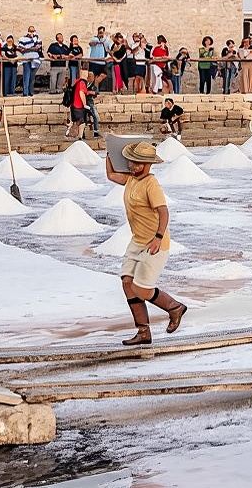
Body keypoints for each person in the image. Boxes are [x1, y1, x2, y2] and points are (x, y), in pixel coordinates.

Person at [105, 140, 187, 346]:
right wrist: (109, 152)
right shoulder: (132, 179)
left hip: (154, 242)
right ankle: (143, 332)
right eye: (130, 161)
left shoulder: (151, 184)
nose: (131, 166)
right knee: (127, 283)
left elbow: (163, 212)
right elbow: (111, 175)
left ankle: (174, 307)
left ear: (147, 164)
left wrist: (158, 238)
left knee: (141, 289)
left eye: (136, 163)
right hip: (137, 241)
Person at [67, 69, 93, 140]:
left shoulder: (77, 81)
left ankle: (79, 136)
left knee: (80, 122)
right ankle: (77, 135)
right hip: (78, 105)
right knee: (81, 122)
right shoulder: (82, 82)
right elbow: (81, 93)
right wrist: (84, 104)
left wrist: (89, 92)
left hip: (74, 105)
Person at [17, 26, 42, 97]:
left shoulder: (37, 39)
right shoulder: (23, 38)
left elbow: (38, 48)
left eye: (33, 31)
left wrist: (27, 48)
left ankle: (31, 92)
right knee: (26, 76)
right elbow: (21, 49)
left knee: (32, 77)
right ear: (28, 31)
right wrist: (31, 48)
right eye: (30, 31)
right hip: (26, 59)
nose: (32, 32)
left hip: (35, 59)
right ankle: (25, 92)